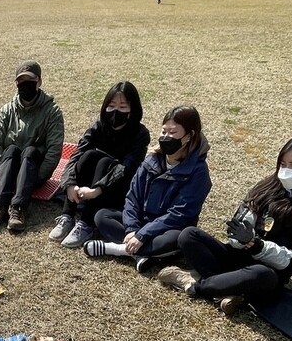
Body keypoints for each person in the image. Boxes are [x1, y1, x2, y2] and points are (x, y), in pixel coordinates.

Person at [157, 130, 292, 315]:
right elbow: (239, 224)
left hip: (269, 270)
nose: (285, 171)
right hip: (237, 256)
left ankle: (195, 285)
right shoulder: (268, 186)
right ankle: (232, 289)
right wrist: (240, 238)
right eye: (282, 164)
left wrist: (258, 246)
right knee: (189, 235)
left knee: (261, 275)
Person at [84, 105, 211, 271]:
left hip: (169, 228)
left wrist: (143, 235)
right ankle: (139, 253)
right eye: (164, 131)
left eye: (173, 133)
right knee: (102, 216)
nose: (166, 137)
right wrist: (132, 229)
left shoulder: (198, 171)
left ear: (189, 136)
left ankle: (116, 249)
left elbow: (179, 214)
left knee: (179, 238)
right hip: (141, 221)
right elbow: (132, 197)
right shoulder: (151, 160)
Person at [49, 81, 150, 249]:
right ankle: (67, 215)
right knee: (89, 155)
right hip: (87, 190)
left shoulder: (140, 134)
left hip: (118, 189)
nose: (116, 111)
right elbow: (76, 155)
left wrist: (97, 190)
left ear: (132, 110)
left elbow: (126, 169)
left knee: (105, 161)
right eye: (112, 105)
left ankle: (86, 223)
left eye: (123, 107)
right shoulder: (98, 127)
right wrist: (70, 183)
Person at [0, 61, 65, 234]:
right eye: (21, 82)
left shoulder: (52, 112)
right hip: (9, 169)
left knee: (29, 151)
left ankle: (18, 209)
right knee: (12, 149)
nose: (25, 85)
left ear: (39, 82)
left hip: (34, 170)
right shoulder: (7, 110)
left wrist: (36, 178)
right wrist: (2, 173)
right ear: (16, 84)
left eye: (30, 80)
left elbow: (53, 150)